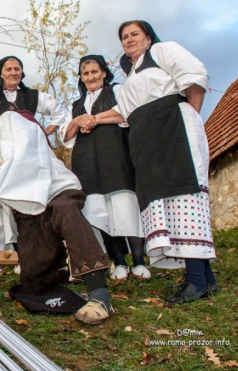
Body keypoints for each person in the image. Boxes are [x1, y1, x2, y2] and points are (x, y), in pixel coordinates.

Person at [0, 97, 112, 325]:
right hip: (26, 209)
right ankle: (63, 267)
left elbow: (23, 158)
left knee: (66, 213)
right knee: (32, 278)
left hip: (57, 190)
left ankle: (99, 293)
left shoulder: (12, 121)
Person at [89, 21, 218, 304]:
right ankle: (207, 279)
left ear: (148, 38)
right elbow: (122, 112)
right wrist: (91, 118)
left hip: (173, 132)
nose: (128, 39)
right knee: (168, 203)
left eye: (135, 34)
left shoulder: (163, 50)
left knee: (184, 197)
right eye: (124, 36)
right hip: (147, 142)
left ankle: (195, 280)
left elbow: (195, 77)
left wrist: (187, 118)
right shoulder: (132, 75)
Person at [59, 55, 149, 281]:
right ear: (81, 77)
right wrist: (77, 121)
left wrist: (93, 119)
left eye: (94, 72)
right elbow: (66, 137)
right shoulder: (76, 106)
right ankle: (119, 263)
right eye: (85, 73)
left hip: (117, 160)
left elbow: (126, 113)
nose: (90, 77)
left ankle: (139, 262)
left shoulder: (117, 91)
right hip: (88, 164)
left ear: (104, 73)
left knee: (126, 208)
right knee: (104, 214)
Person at [0, 55, 69, 254]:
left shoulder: (32, 96)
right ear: (1, 74)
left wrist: (46, 130)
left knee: (44, 194)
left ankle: (54, 249)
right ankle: (22, 253)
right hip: (6, 155)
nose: (13, 73)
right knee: (13, 204)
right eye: (9, 69)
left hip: (33, 152)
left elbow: (59, 111)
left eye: (17, 69)